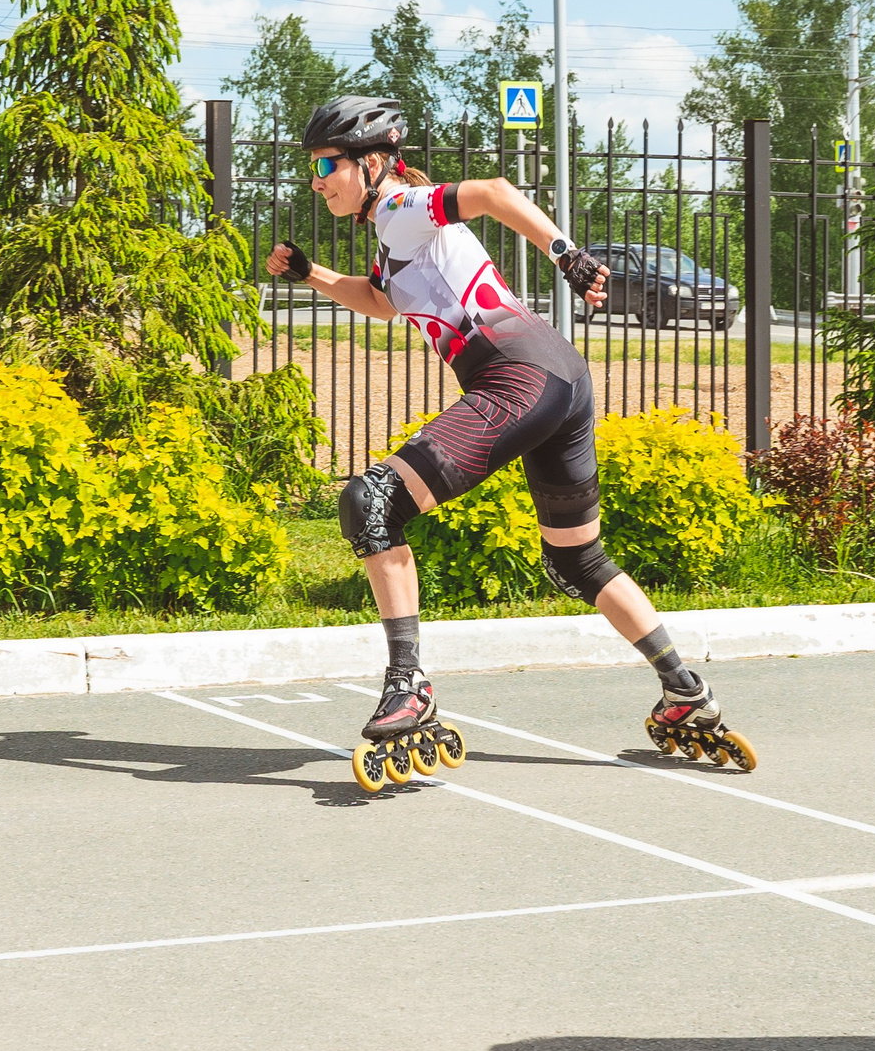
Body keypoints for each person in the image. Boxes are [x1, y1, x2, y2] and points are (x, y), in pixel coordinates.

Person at [263, 96, 747, 790]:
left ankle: (409, 684)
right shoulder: (396, 234)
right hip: (562, 379)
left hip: (516, 375)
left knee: (370, 503)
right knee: (578, 560)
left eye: (327, 165)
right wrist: (310, 272)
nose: (318, 180)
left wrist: (567, 254)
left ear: (372, 162)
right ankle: (685, 692)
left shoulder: (404, 207)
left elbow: (491, 192)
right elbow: (379, 299)